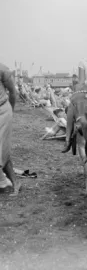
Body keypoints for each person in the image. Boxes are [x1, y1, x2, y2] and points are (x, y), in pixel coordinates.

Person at [0, 63, 21, 195]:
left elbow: (13, 92)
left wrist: (11, 112)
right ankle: (13, 182)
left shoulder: (2, 69)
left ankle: (9, 182)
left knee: (1, 149)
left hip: (2, 110)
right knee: (2, 150)